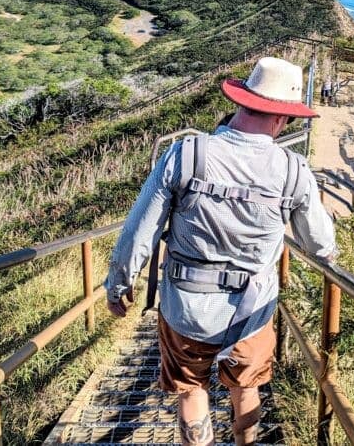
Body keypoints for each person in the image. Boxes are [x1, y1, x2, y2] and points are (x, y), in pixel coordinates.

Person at [105, 57, 338, 446]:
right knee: (245, 390)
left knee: (192, 390)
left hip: (186, 307)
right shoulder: (294, 171)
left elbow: (138, 231)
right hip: (252, 312)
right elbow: (320, 245)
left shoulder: (185, 154)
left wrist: (118, 286)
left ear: (241, 101)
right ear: (283, 119)